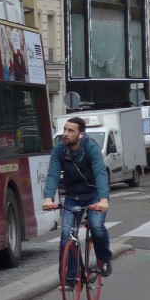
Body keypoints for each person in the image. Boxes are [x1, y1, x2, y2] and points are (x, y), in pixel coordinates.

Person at [42, 116, 113, 279]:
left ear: (81, 134)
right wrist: (48, 198)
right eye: (65, 130)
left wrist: (103, 199)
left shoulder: (91, 148)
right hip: (73, 196)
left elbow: (100, 173)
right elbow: (53, 174)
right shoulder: (59, 149)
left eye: (70, 131)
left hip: (94, 195)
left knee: (96, 227)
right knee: (67, 235)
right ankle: (70, 277)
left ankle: (105, 259)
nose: (65, 134)